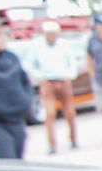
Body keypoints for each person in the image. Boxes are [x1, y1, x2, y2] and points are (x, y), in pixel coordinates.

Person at [28, 21, 80, 153]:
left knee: (69, 112)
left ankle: (73, 139)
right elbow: (30, 64)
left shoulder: (64, 45)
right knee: (49, 113)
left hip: (63, 80)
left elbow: (72, 62)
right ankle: (52, 144)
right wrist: (40, 77)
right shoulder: (37, 46)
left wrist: (69, 76)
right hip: (48, 81)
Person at [0, 17, 33, 159]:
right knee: (7, 162)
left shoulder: (11, 58)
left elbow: (25, 83)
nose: (2, 38)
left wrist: (25, 103)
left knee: (18, 162)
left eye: (3, 33)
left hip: (17, 121)